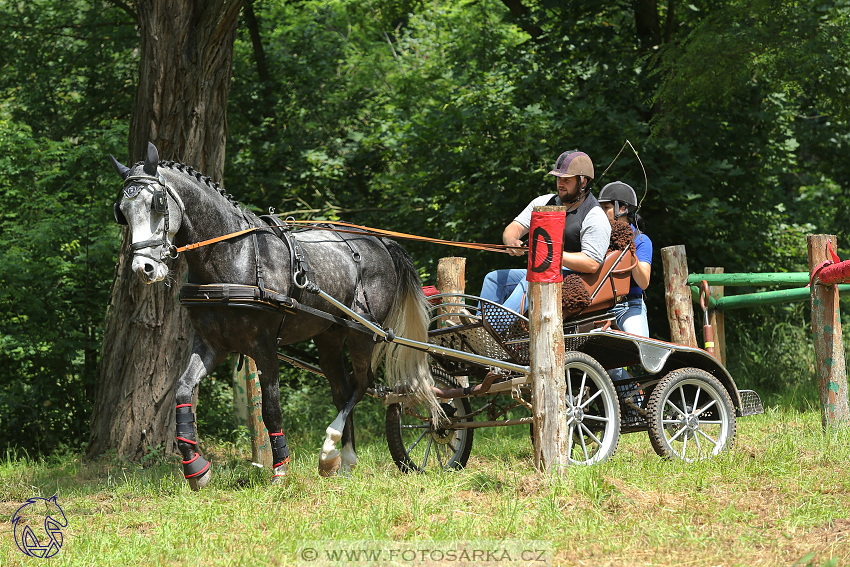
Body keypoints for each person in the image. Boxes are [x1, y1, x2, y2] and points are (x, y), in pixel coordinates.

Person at [478, 150, 611, 315]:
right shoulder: (544, 202)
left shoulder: (594, 215)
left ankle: (495, 326)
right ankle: (480, 323)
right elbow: (513, 228)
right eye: (558, 178)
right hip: (543, 272)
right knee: (493, 279)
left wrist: (550, 253)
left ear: (583, 182)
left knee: (532, 279)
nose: (560, 183)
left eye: (567, 180)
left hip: (575, 280)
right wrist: (512, 241)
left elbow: (592, 263)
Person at [597, 181, 652, 337]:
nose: (601, 213)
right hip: (598, 307)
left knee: (640, 344)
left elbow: (643, 283)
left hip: (629, 305)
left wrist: (629, 250)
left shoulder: (640, 240)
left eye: (606, 208)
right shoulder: (597, 236)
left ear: (622, 209)